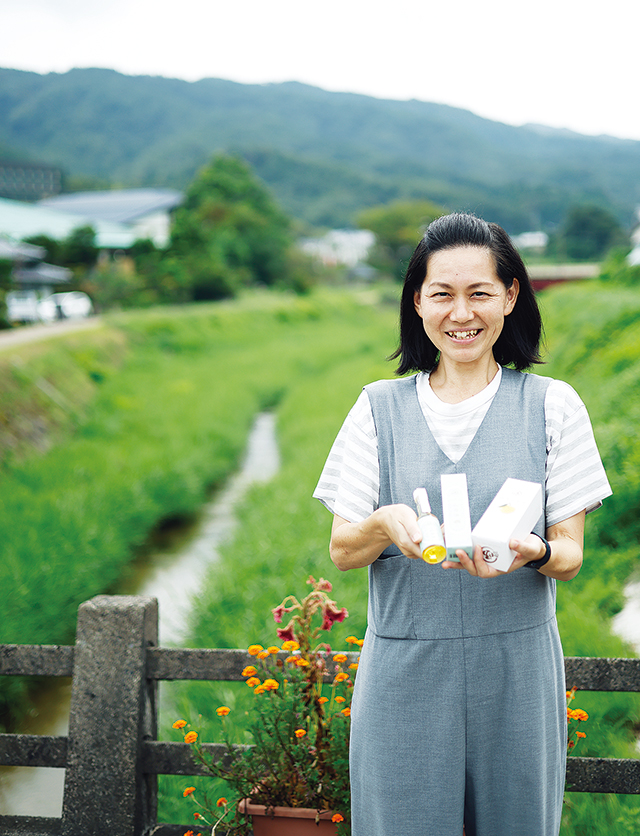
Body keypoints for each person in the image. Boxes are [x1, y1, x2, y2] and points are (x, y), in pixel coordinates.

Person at [313, 213, 611, 836]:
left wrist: (533, 551)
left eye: (480, 293)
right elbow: (343, 548)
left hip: (518, 667)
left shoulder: (553, 405)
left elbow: (571, 553)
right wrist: (389, 522)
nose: (462, 313)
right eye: (442, 294)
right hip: (404, 669)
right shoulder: (376, 409)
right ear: (417, 301)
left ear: (510, 297)